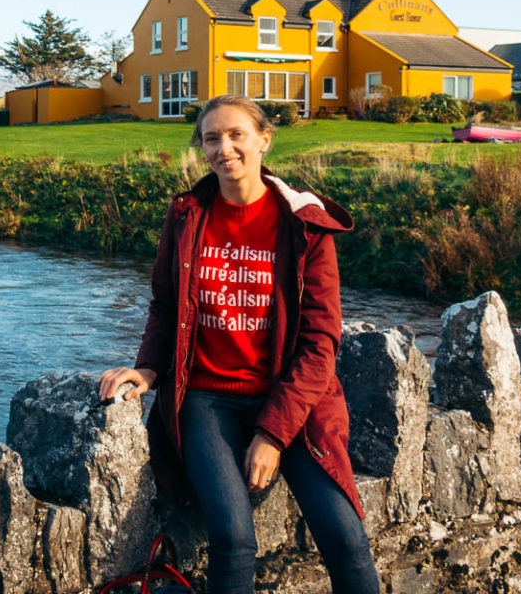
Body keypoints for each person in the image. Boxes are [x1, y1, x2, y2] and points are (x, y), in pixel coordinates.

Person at [99, 94, 380, 594]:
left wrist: (271, 435)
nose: (224, 148)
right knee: (232, 538)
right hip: (207, 399)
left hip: (293, 400)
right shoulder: (186, 216)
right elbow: (165, 306)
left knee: (345, 538)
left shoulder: (305, 225)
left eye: (236, 135)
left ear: (264, 141)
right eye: (212, 138)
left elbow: (320, 344)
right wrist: (147, 370)